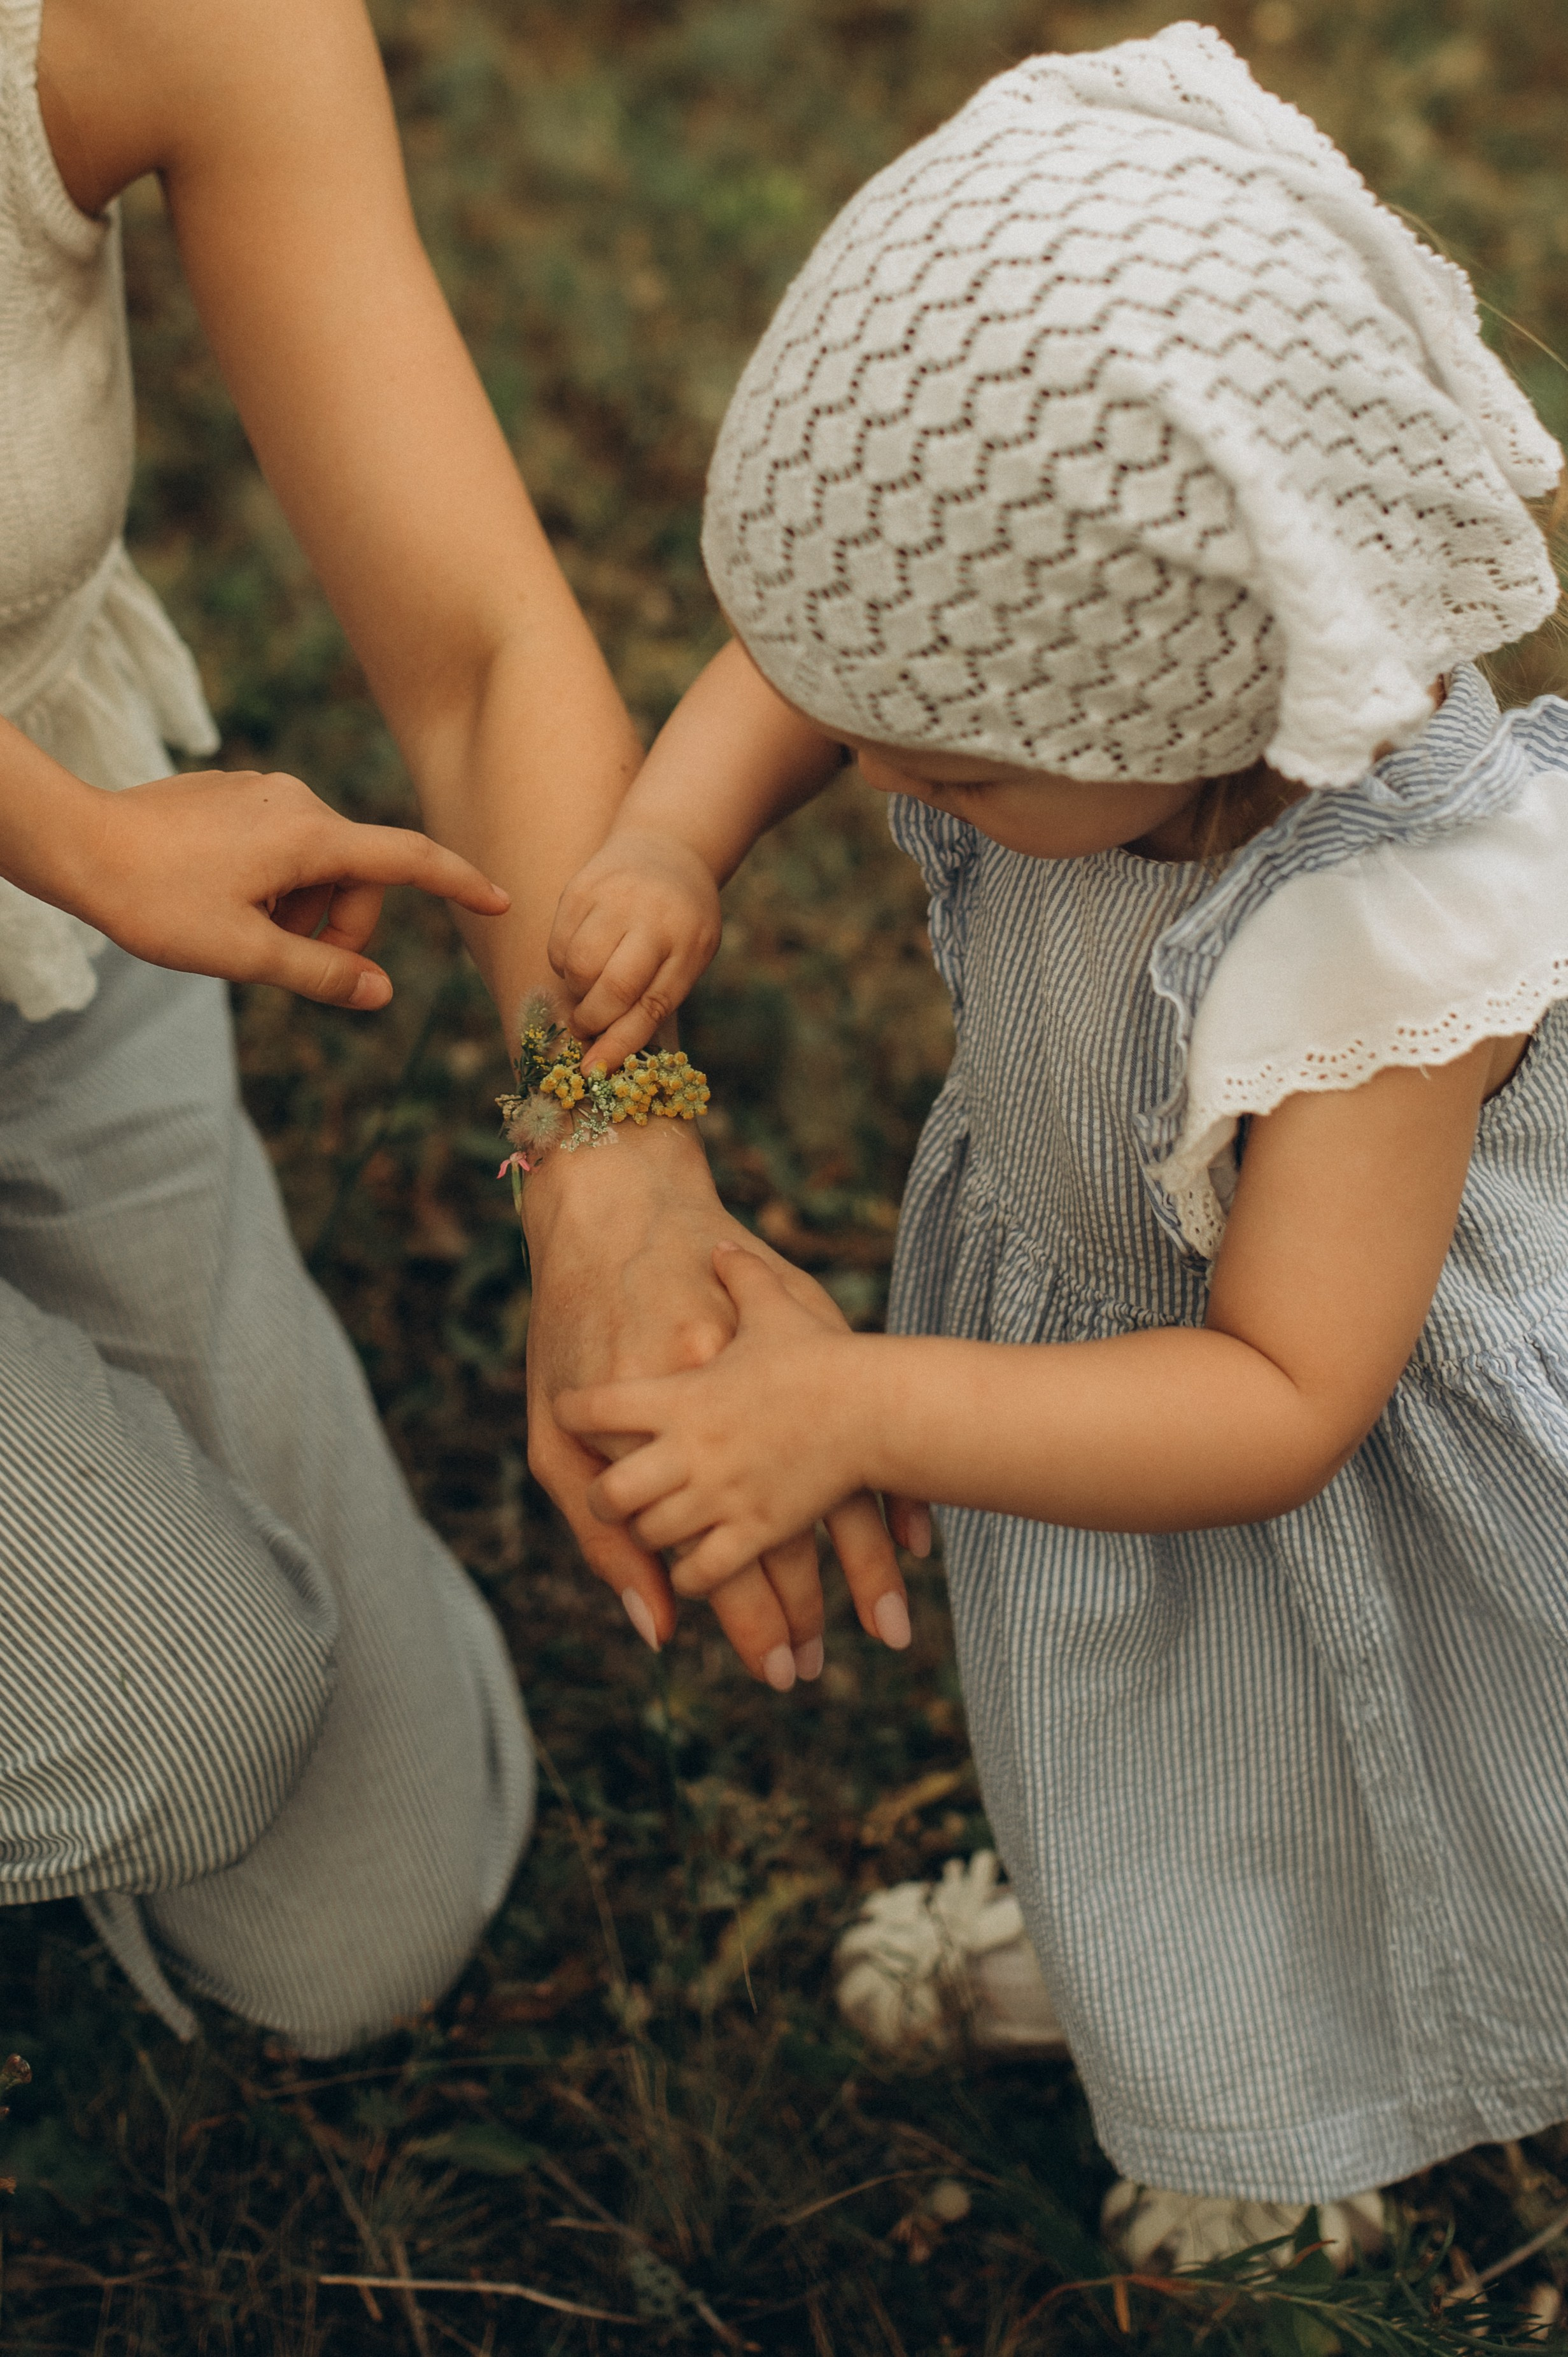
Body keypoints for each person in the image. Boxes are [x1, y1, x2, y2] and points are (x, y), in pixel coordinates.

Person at [544, 22, 1568, 2261]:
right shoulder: (1048, 684)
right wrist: (663, 833)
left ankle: (1288, 2137)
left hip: (1311, 1439)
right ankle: (1156, 1946)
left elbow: (1286, 1400)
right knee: (1146, 1719)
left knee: (1328, 1742)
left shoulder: (1376, 942)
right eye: (887, 742)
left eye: (967, 780)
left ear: (1202, 702)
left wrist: (859, 1403)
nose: (905, 799)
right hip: (1098, 1334)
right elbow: (821, 674)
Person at [3, 0, 912, 2055]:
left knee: (367, 1922)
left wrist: (614, 1185)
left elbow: (488, 651)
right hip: (69, 867)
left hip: (46, 973)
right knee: (171, 1712)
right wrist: (61, 835)